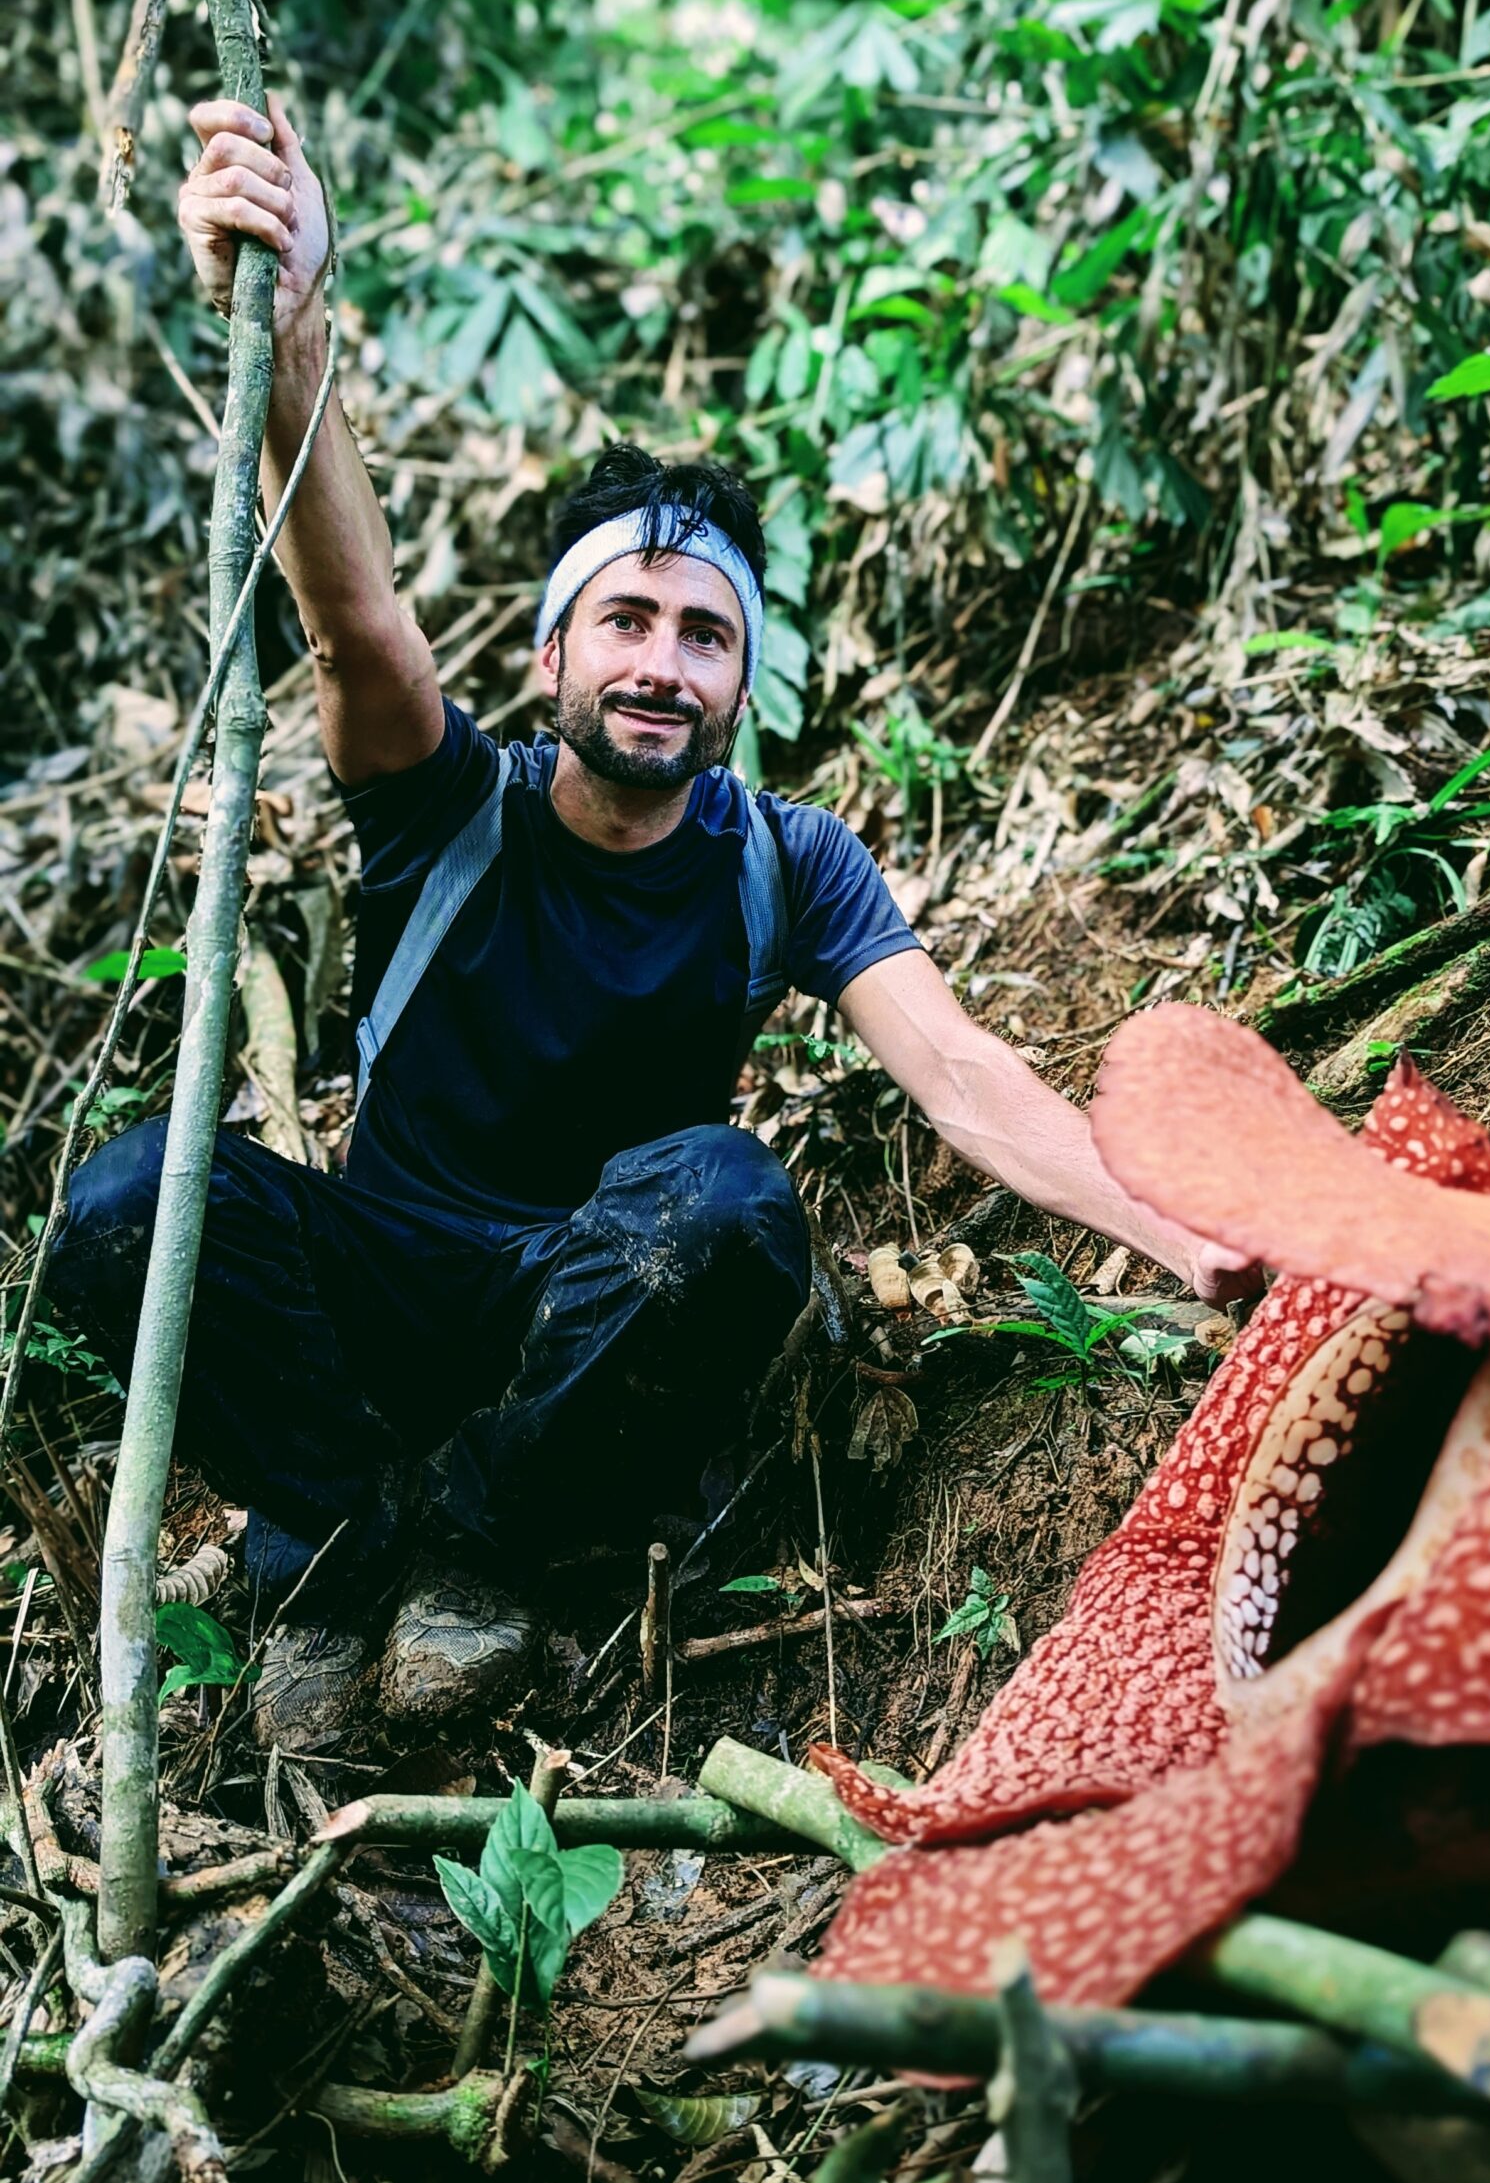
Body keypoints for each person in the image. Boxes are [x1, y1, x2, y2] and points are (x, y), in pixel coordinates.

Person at [46, 94, 1258, 1750]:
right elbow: (357, 624)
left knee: (729, 1201)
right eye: (625, 618)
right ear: (552, 655)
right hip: (381, 1294)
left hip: (583, 1329)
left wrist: (1175, 1226)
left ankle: (477, 1544)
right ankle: (336, 1537)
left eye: (705, 634)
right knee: (126, 1202)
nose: (662, 664)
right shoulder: (446, 805)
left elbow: (964, 1074)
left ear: (742, 684)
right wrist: (300, 317)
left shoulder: (787, 863)